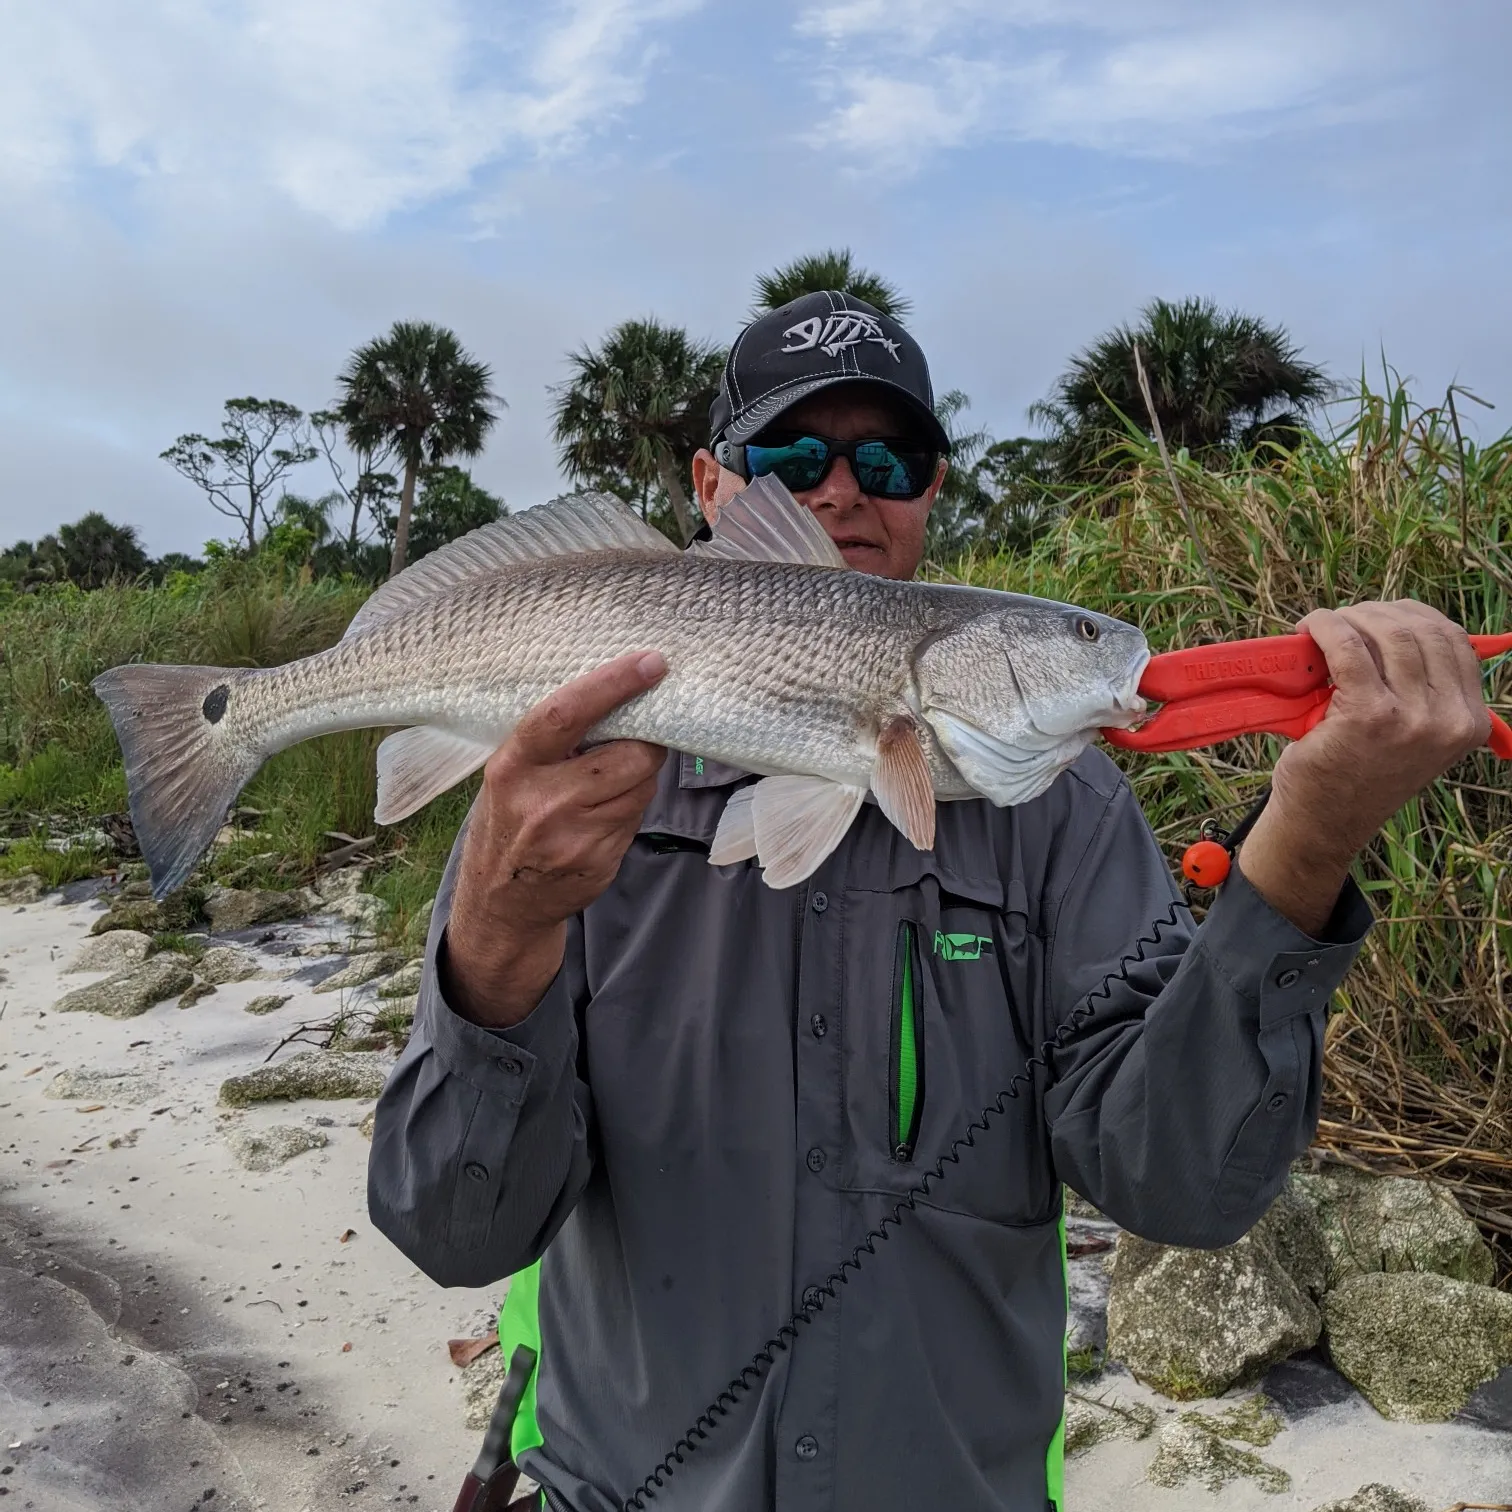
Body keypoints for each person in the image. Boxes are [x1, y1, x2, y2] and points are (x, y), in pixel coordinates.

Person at [368, 292, 1490, 1512]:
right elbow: (454, 1234)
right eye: (792, 459)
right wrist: (500, 915)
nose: (843, 491)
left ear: (932, 489)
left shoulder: (1069, 809)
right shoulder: (552, 798)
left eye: (887, 459)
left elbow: (1182, 1186)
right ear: (711, 484)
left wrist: (1307, 848)